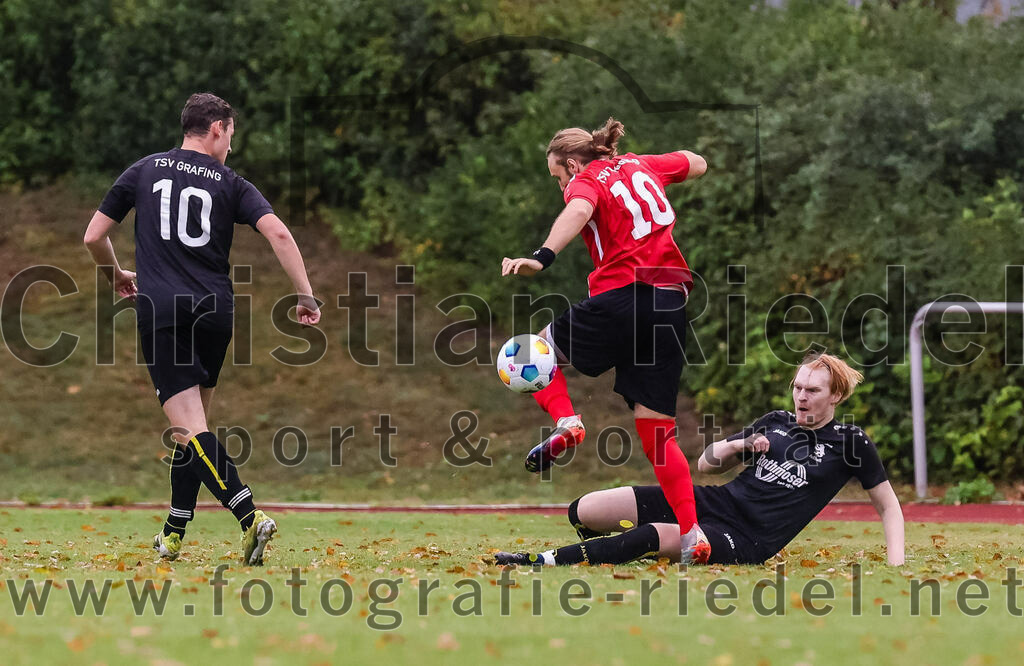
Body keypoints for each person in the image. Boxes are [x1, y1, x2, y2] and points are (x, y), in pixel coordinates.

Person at [83, 92, 321, 565]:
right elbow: (278, 233)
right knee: (193, 431)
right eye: (231, 135)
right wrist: (305, 294)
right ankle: (173, 530)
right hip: (215, 312)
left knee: (189, 430)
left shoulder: (144, 170)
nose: (231, 146)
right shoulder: (232, 183)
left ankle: (250, 517)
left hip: (164, 310)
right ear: (216, 129)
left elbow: (93, 236)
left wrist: (115, 276)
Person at [500, 117, 710, 562]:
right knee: (658, 432)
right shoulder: (639, 165)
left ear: (573, 165)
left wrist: (541, 257)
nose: (562, 187)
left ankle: (567, 422)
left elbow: (577, 211)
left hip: (624, 296)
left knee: (532, 350)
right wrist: (664, 167)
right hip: (670, 305)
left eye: (559, 177)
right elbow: (697, 162)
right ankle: (692, 535)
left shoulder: (588, 180)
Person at [495, 353, 906, 567]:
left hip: (747, 538)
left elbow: (889, 507)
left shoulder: (850, 442)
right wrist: (740, 446)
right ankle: (613, 544)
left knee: (652, 536)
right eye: (797, 387)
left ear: (835, 395)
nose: (800, 396)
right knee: (583, 509)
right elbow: (707, 463)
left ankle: (544, 561)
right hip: (714, 502)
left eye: (812, 390)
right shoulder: (776, 422)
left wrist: (896, 563)